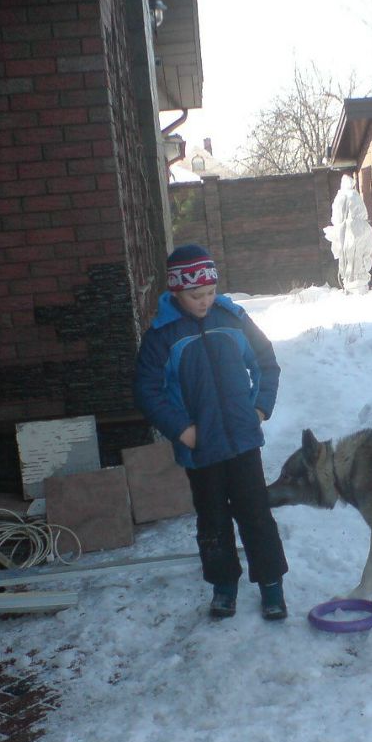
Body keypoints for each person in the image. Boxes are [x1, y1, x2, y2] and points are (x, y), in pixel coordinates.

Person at [133, 244, 289, 621]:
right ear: (176, 292)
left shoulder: (233, 320)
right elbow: (146, 390)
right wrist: (180, 430)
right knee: (213, 520)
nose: (205, 301)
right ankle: (224, 585)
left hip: (243, 441)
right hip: (200, 449)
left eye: (209, 293)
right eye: (195, 295)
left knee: (256, 514)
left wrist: (259, 408)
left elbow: (266, 363)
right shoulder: (162, 336)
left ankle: (271, 585)